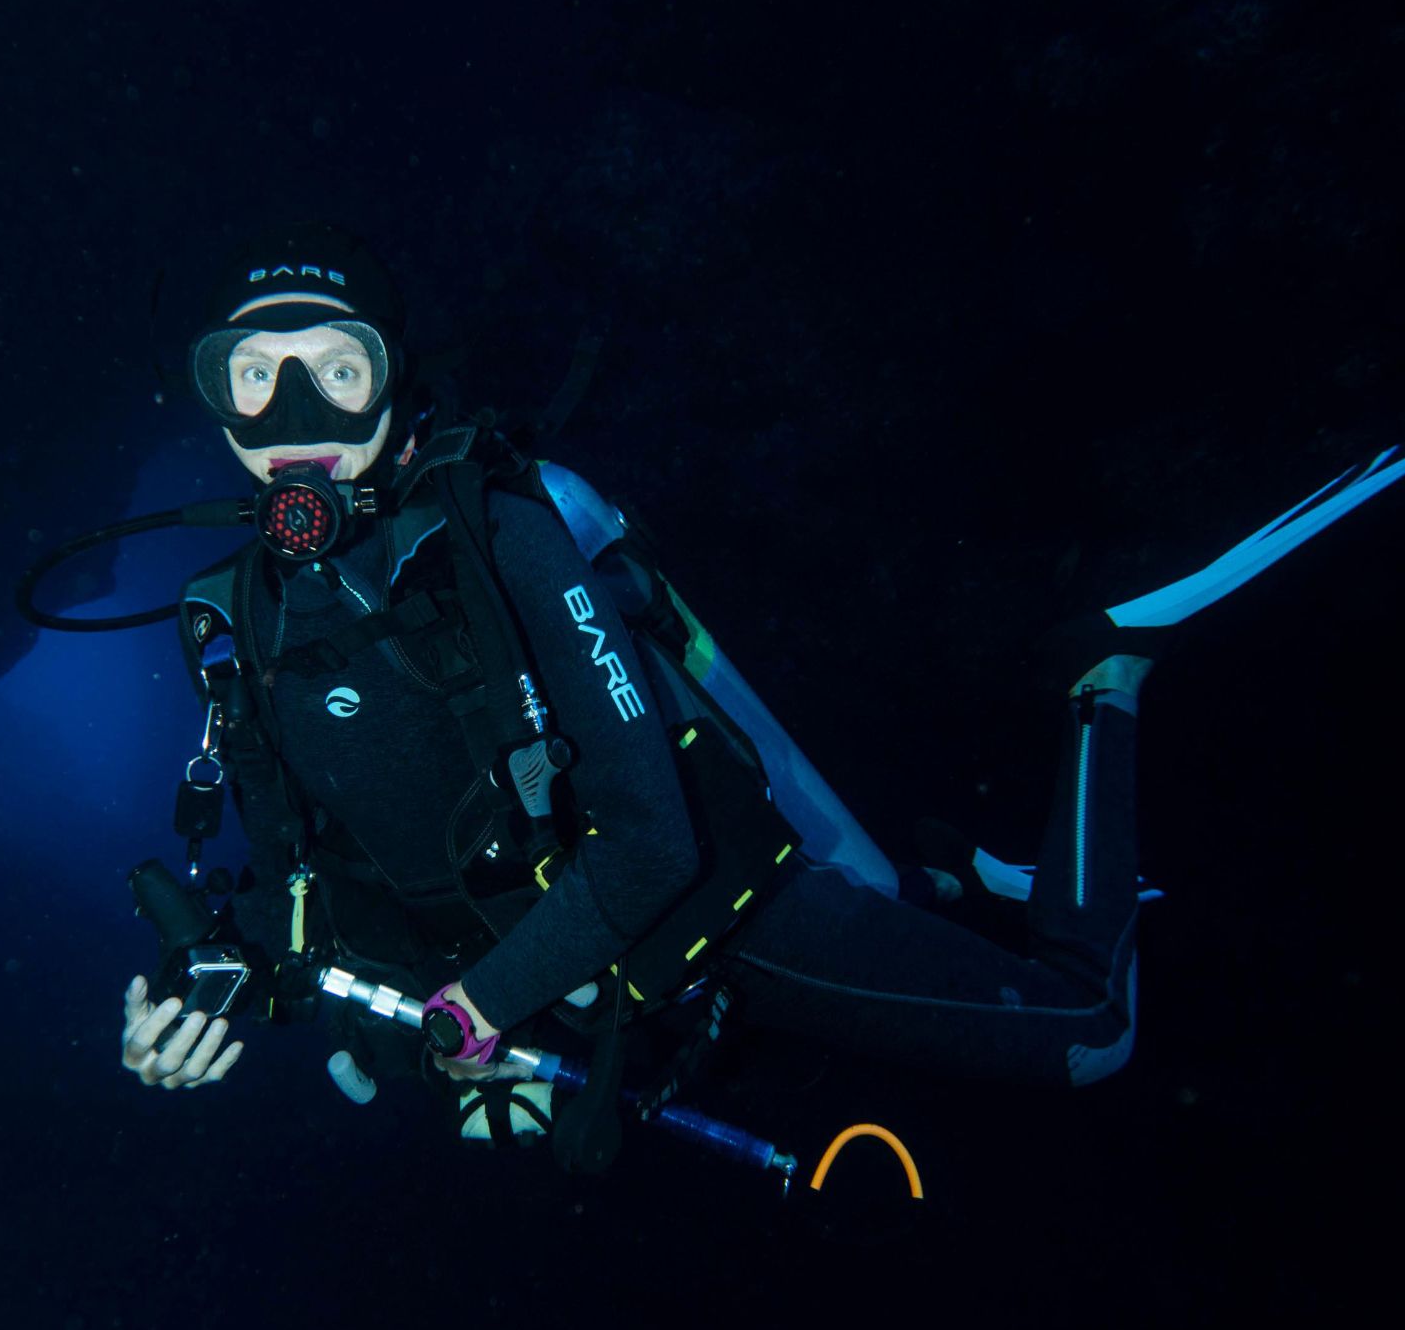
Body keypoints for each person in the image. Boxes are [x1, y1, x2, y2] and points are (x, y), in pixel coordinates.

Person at [120, 222, 1401, 1155]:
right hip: (580, 984)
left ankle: (1101, 677)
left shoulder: (501, 529)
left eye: (335, 368)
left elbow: (652, 839)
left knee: (1089, 1033)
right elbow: (320, 884)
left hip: (713, 920)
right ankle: (951, 873)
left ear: (396, 387)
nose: (293, 407)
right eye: (251, 372)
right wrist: (227, 997)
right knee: (897, 906)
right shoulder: (229, 618)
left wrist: (476, 1011)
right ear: (215, 403)